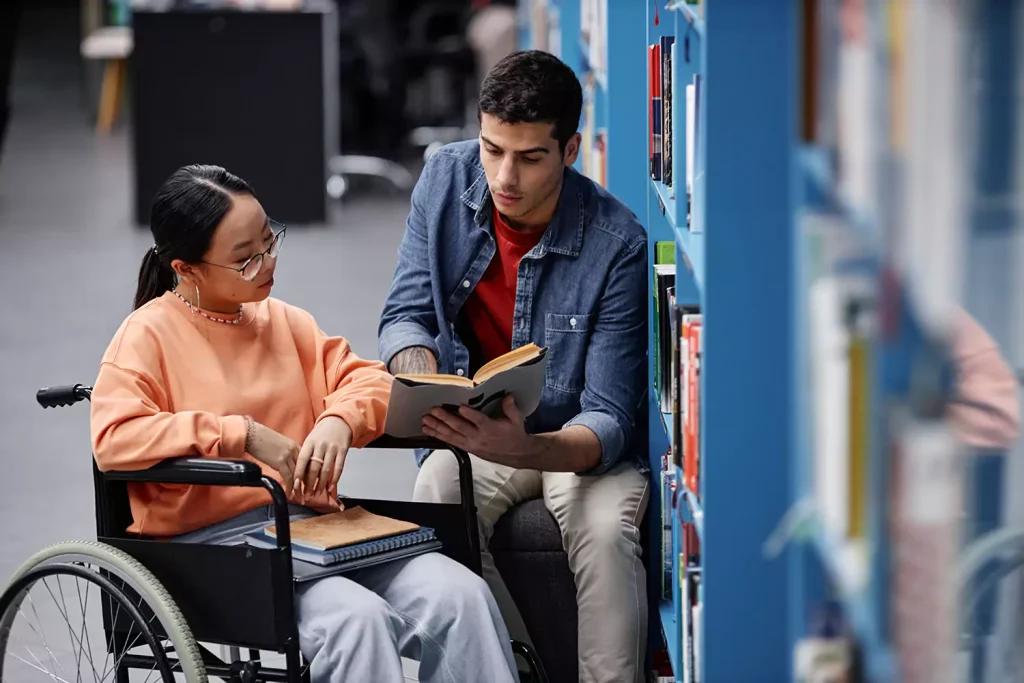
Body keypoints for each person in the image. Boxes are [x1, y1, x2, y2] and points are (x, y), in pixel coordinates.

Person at [89, 164, 520, 683]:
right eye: (246, 259)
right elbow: (114, 439)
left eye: (270, 241)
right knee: (356, 623)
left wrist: (339, 420)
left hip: (316, 530)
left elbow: (374, 382)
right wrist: (240, 433)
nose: (268, 263)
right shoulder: (147, 335)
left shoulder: (286, 322)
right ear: (188, 268)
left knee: (460, 595)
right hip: (217, 549)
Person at [379, 51, 650, 683]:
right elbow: (405, 314)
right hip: (475, 432)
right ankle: (511, 670)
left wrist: (523, 448)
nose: (505, 176)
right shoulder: (444, 179)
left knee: (607, 535)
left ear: (571, 149)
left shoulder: (619, 244)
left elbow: (608, 418)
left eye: (529, 158)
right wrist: (423, 375)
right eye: (492, 149)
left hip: (569, 442)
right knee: (436, 494)